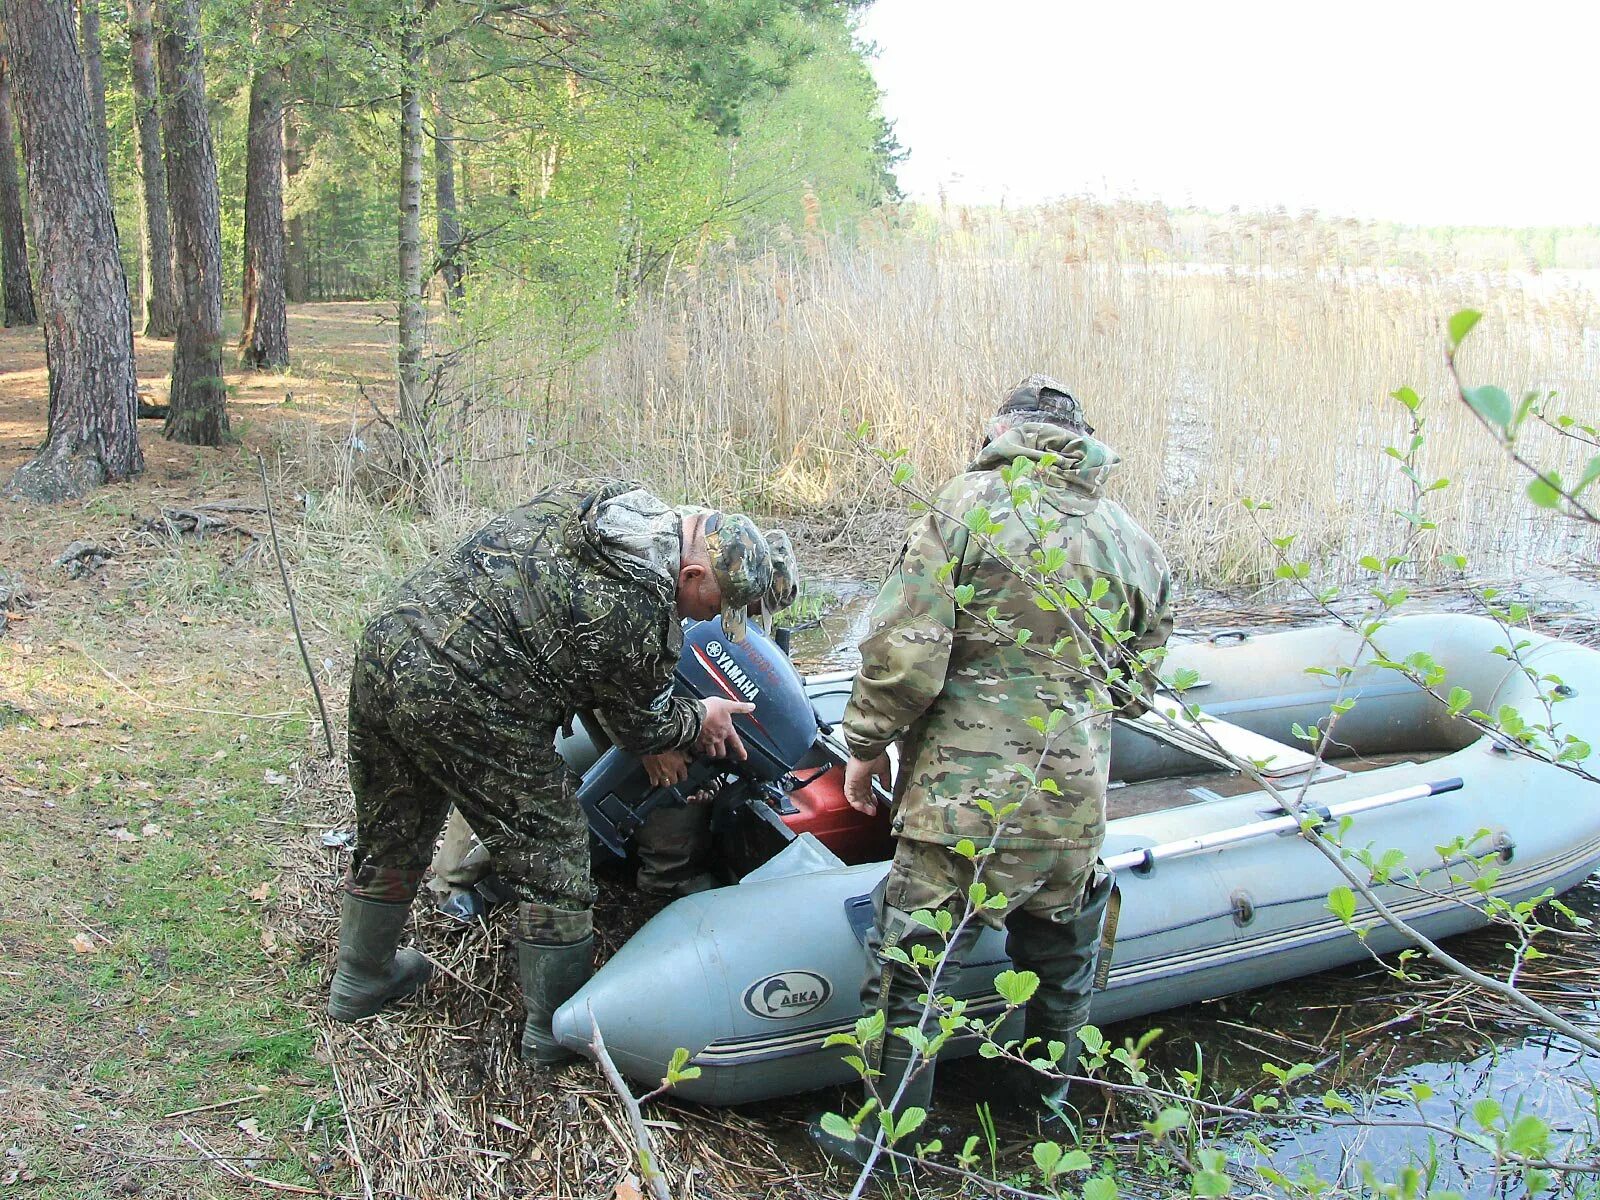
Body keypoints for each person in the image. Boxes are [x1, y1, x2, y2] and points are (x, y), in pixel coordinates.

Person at [814, 375, 1173, 1166]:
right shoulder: (1131, 539)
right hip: (1071, 799)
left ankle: (889, 1139)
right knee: (1061, 955)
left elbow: (906, 654)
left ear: (1003, 429)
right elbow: (1137, 687)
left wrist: (865, 749)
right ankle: (1046, 1109)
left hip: (961, 801)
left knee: (911, 965)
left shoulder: (966, 506)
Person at [326, 479, 775, 1068]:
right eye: (714, 607)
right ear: (692, 577)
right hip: (467, 690)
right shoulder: (637, 605)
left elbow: (577, 647)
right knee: (555, 850)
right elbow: (644, 728)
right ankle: (553, 1035)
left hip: (393, 641)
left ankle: (361, 978)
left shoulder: (611, 499)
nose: (710, 618)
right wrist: (702, 718)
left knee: (395, 821)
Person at [422, 526, 801, 913]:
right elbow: (618, 662)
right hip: (531, 677)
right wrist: (650, 742)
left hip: (599, 675)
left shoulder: (701, 552)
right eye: (748, 608)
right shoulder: (662, 580)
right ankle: (661, 885)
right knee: (665, 776)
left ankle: (462, 882)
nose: (742, 617)